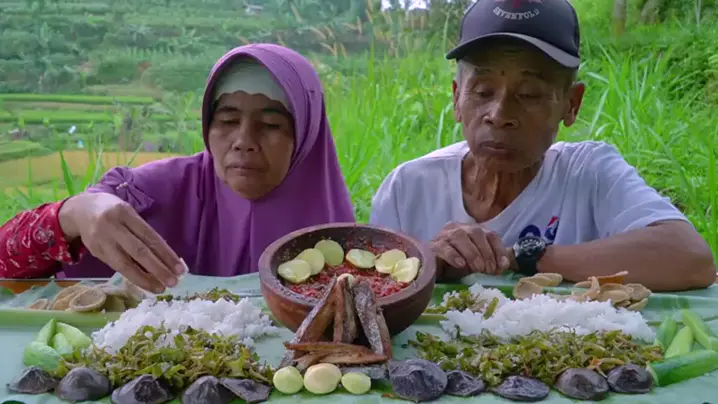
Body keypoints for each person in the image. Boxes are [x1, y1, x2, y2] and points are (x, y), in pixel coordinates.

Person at [369, 0, 715, 292]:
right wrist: (426, 260)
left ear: (571, 104)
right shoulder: (407, 189)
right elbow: (369, 293)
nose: (499, 115)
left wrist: (522, 256)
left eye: (529, 94)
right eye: (483, 91)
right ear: (457, 99)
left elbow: (690, 258)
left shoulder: (590, 173)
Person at [0, 44, 355, 293]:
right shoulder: (149, 195)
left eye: (272, 125)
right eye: (227, 120)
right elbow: (4, 260)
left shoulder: (341, 242)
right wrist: (73, 213)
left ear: (306, 134)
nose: (244, 141)